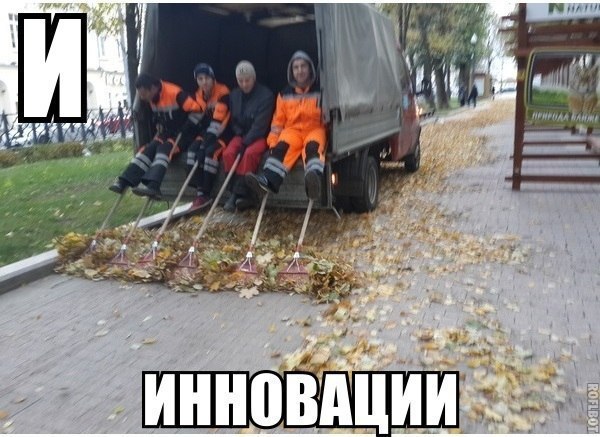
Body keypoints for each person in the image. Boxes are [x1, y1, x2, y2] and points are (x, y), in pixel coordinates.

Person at [245, 51, 326, 201]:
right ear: (291, 71)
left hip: (314, 129)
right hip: (292, 131)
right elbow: (278, 122)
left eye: (303, 66)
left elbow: (330, 116)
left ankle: (313, 182)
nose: (300, 70)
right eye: (296, 67)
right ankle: (266, 182)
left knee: (312, 148)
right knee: (280, 149)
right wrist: (272, 143)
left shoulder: (321, 91)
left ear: (310, 69)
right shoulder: (284, 94)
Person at [109, 73, 202, 199]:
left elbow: (198, 111)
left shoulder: (175, 93)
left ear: (153, 88)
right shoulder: (152, 98)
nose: (142, 98)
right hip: (167, 133)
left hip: (185, 135)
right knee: (148, 149)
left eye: (144, 94)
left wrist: (186, 128)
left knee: (163, 150)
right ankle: (124, 181)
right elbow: (161, 116)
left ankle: (153, 186)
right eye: (140, 95)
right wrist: (158, 123)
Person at [220, 61, 275, 212]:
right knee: (228, 153)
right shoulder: (234, 95)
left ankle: (236, 196)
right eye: (240, 81)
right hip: (241, 134)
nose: (244, 84)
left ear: (254, 78)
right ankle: (236, 192)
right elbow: (233, 120)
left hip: (260, 136)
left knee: (249, 154)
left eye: (247, 80)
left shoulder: (266, 95)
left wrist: (246, 142)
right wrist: (239, 135)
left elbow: (260, 125)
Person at [186, 63, 232, 212]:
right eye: (200, 79)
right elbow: (196, 117)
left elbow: (218, 120)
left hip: (223, 132)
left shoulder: (223, 92)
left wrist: (204, 145)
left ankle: (206, 192)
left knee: (209, 153)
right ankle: (199, 193)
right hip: (207, 133)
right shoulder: (198, 95)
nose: (204, 82)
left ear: (213, 78)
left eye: (207, 78)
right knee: (192, 151)